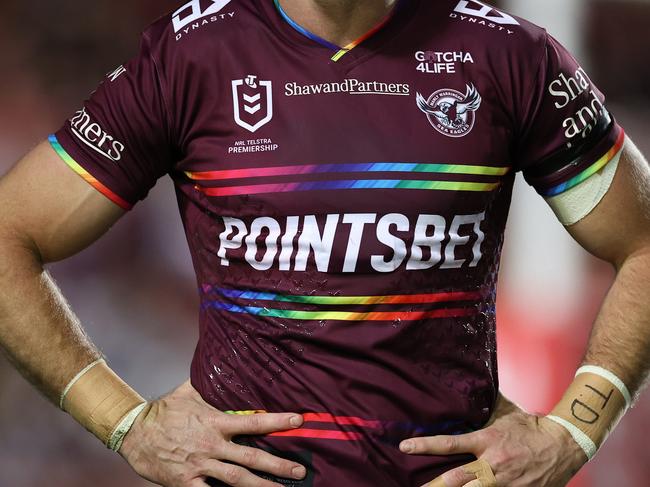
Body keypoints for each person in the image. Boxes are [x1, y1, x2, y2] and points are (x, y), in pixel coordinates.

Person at [0, 0, 648, 486]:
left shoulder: (508, 55)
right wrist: (125, 422)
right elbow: (10, 236)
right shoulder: (192, 55)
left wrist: (573, 430)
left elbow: (644, 244)